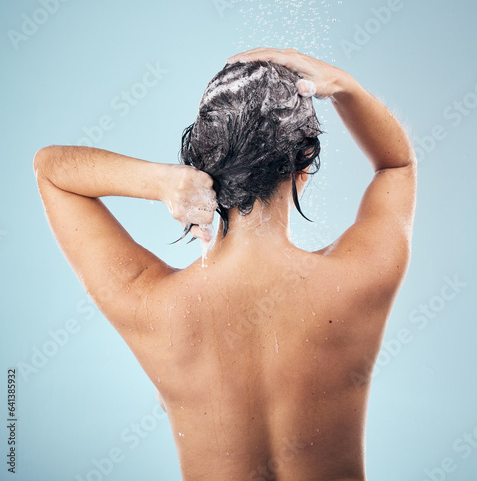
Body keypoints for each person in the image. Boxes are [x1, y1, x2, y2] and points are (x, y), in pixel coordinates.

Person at [34, 47, 417, 481]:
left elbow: (51, 170)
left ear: (201, 167)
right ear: (304, 163)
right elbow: (397, 165)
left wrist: (161, 181)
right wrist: (345, 86)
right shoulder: (358, 278)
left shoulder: (151, 304)